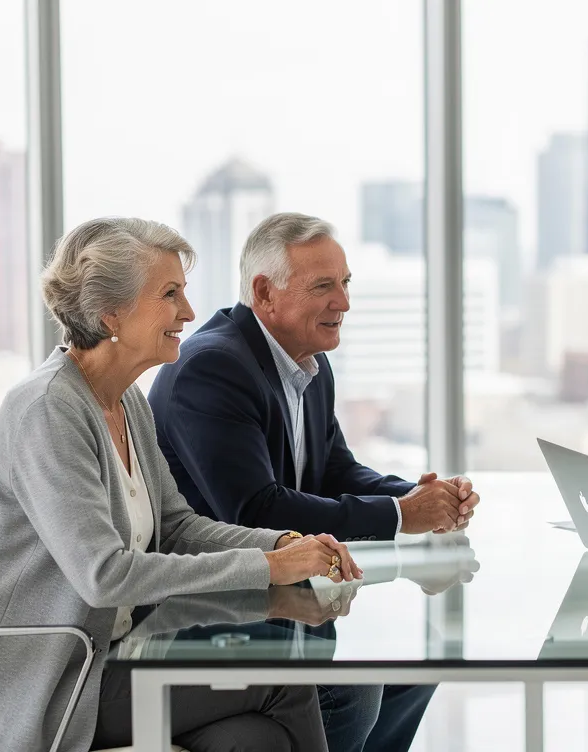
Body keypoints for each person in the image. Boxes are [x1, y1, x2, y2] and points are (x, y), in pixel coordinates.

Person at [0, 217, 360, 752]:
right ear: (111, 311)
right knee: (281, 680)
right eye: (170, 294)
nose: (189, 312)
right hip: (37, 686)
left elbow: (178, 526)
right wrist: (270, 568)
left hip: (112, 656)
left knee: (254, 738)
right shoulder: (46, 412)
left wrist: (282, 543)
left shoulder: (126, 398)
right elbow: (105, 576)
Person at [148, 212, 464, 751]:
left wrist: (414, 496)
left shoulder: (306, 362)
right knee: (351, 693)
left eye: (344, 284)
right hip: (210, 607)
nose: (342, 302)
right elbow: (255, 509)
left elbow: (334, 468)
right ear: (265, 293)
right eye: (323, 286)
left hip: (288, 590)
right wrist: (402, 517)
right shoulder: (213, 367)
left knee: (419, 665)